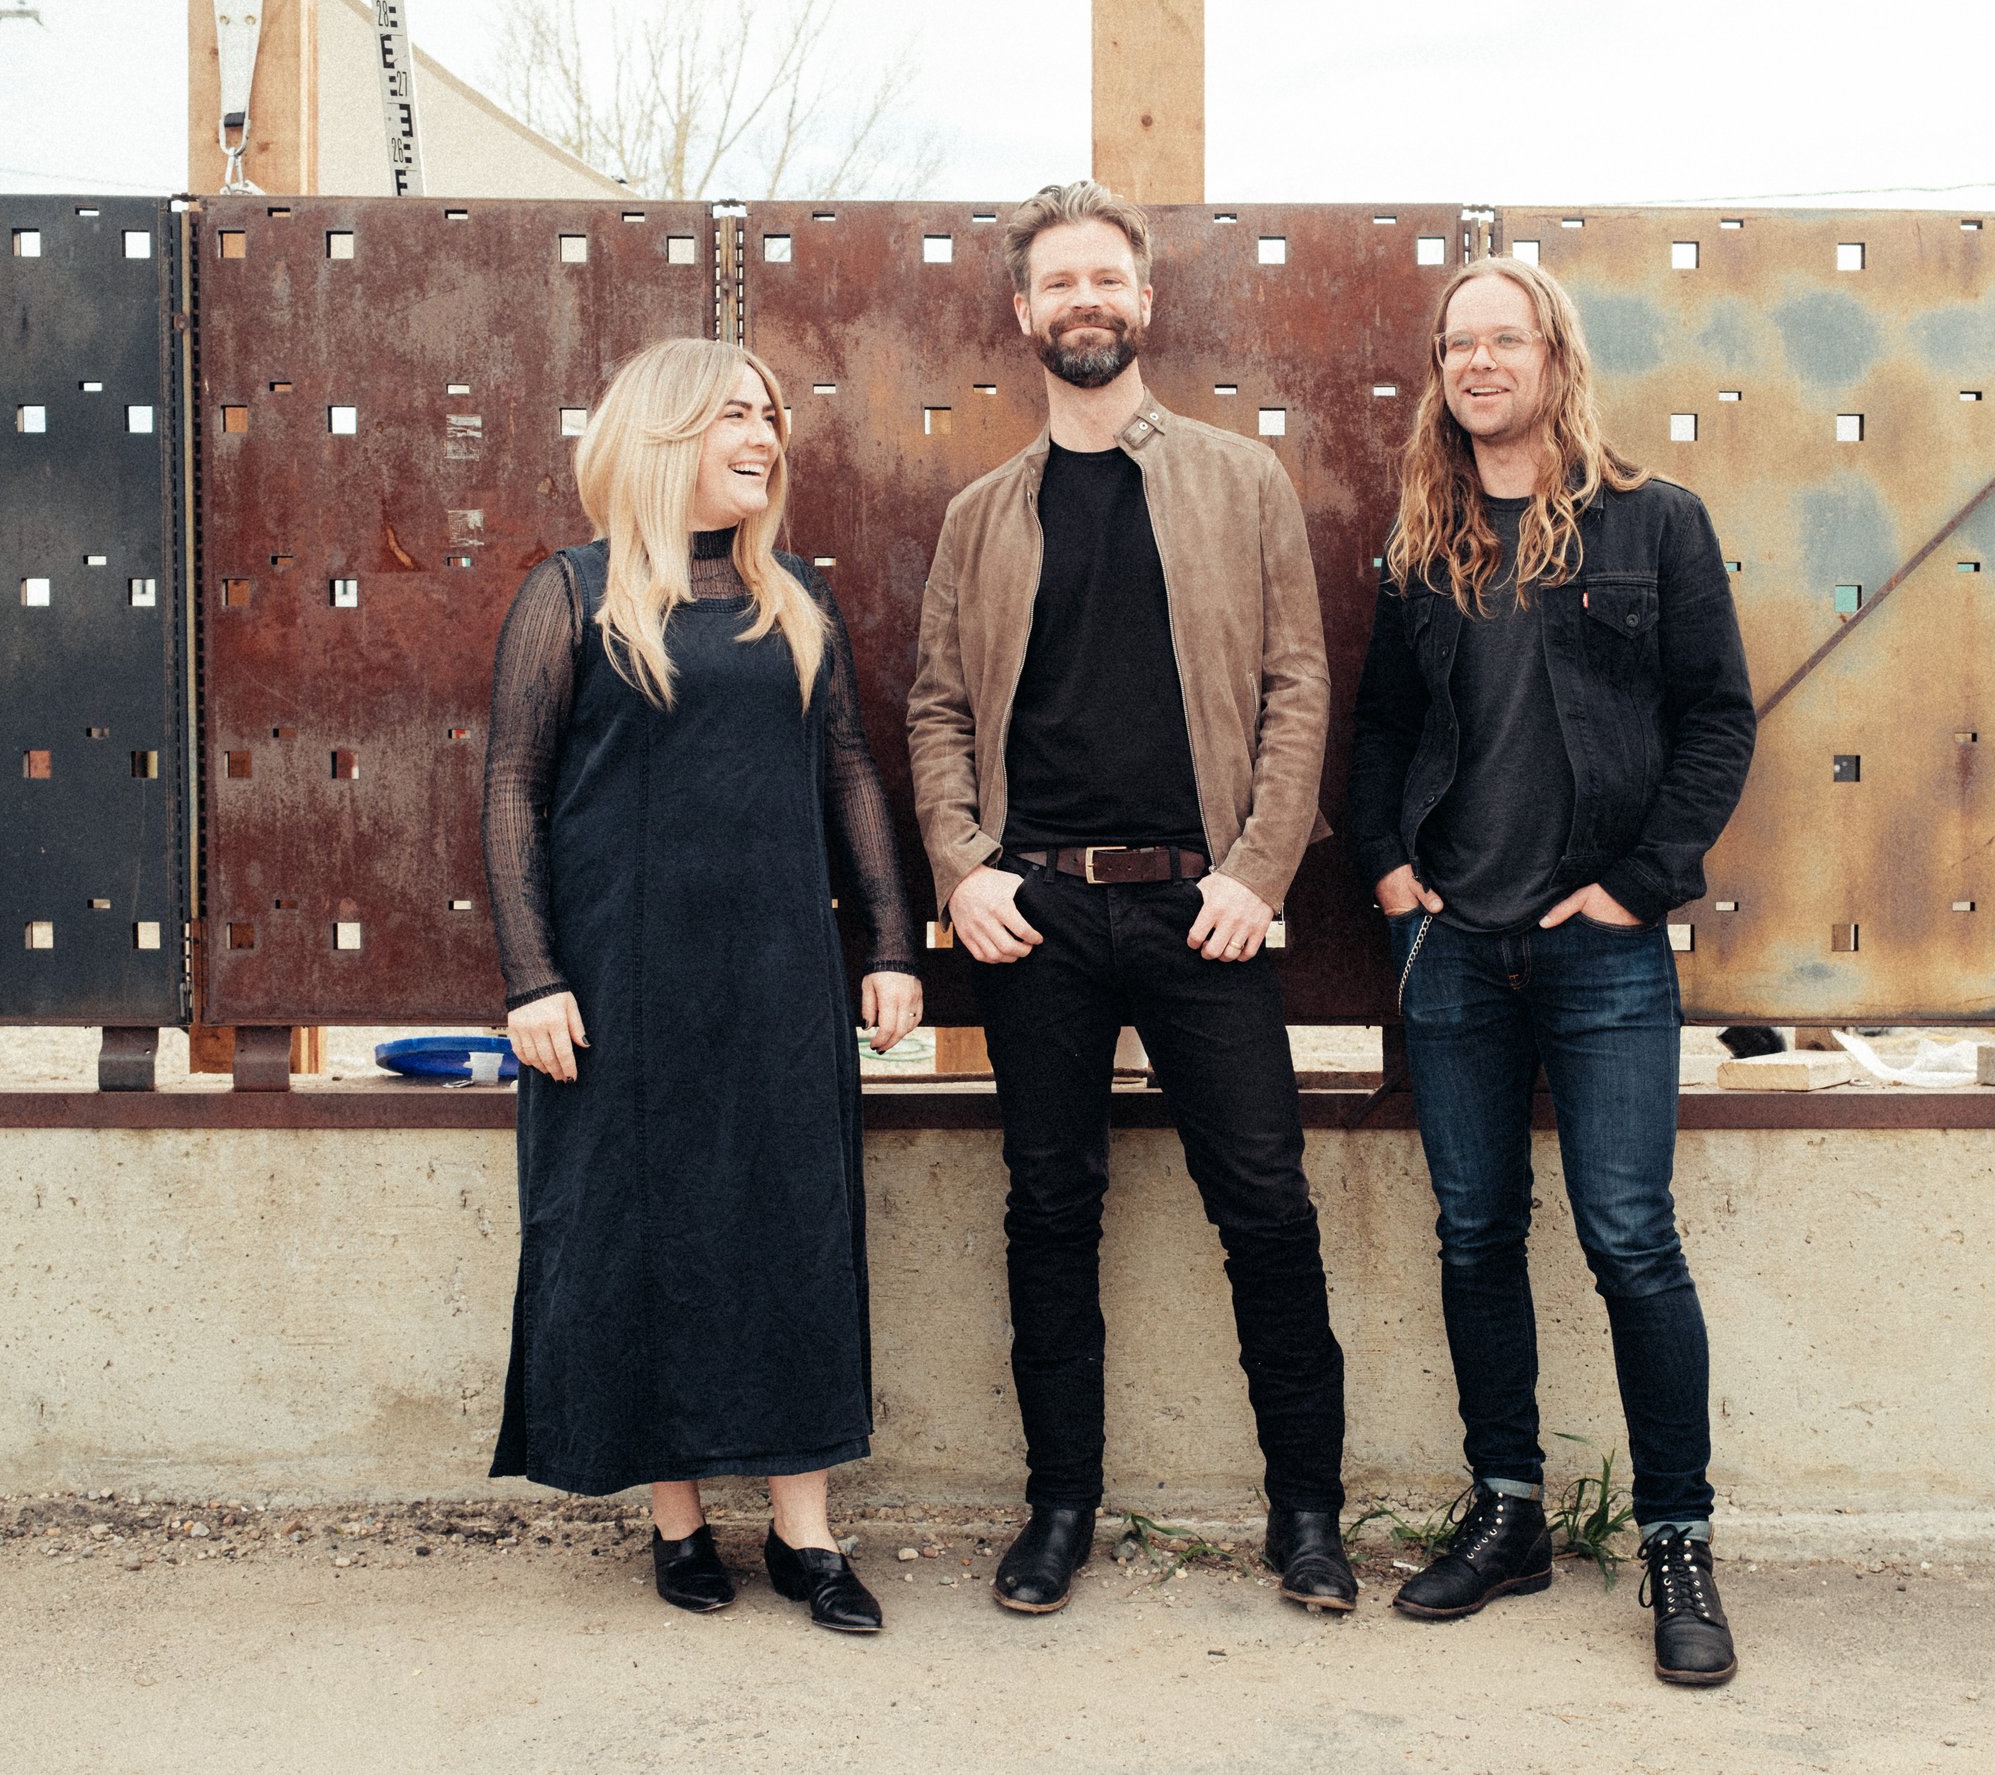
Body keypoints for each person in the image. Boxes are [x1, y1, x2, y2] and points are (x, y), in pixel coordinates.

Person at [907, 181, 1353, 1615]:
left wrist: (1258, 873)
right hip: (1036, 918)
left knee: (1269, 1212)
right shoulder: (983, 515)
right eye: (1059, 283)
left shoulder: (1242, 481)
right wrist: (963, 870)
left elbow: (1298, 686)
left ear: (1144, 303)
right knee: (1049, 1212)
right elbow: (933, 709)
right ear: (1024, 314)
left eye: (1107, 277)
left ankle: (1306, 1514)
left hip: (1202, 907)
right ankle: (1059, 1508)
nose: (1084, 300)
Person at [1346, 256, 1755, 1684]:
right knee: (1474, 1231)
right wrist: (1392, 869)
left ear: (1554, 358)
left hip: (1603, 957)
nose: (1476, 363)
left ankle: (1676, 1540)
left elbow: (1718, 723)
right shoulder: (1422, 543)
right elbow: (1383, 728)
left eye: (1501, 340)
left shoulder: (1656, 528)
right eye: (1456, 344)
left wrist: (1636, 890)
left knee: (1630, 1236)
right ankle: (1509, 1512)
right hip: (1453, 948)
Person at [482, 337, 922, 1633]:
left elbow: (848, 773)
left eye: (771, 415)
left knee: (793, 1236)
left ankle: (806, 1536)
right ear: (665, 429)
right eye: (736, 411)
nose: (766, 433)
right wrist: (532, 977)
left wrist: (892, 944)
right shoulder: (572, 596)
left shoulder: (798, 599)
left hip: (779, 982)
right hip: (622, 990)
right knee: (642, 1242)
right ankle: (677, 1527)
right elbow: (512, 790)